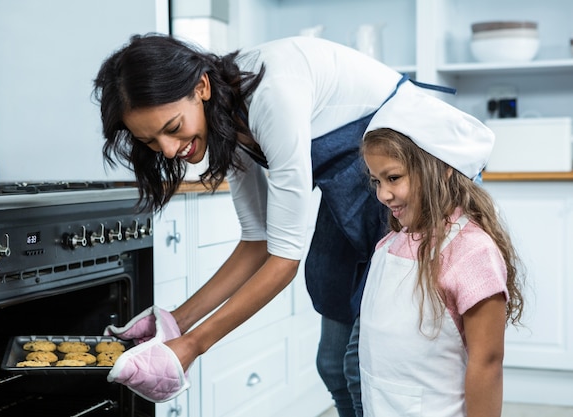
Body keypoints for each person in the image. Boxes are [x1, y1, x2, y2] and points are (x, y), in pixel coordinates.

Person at [92, 32, 438, 414]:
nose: (171, 150)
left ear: (201, 88)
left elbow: (283, 261)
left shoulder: (271, 96)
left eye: (172, 128)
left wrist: (192, 346)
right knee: (334, 368)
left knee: (364, 369)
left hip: (412, 182)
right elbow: (257, 241)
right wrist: (175, 322)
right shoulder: (225, 117)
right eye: (152, 142)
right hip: (354, 191)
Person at [357, 83, 525, 417]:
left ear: (443, 169)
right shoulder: (390, 244)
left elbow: (487, 363)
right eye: (377, 181)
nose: (383, 194)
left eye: (393, 178)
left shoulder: (471, 253)